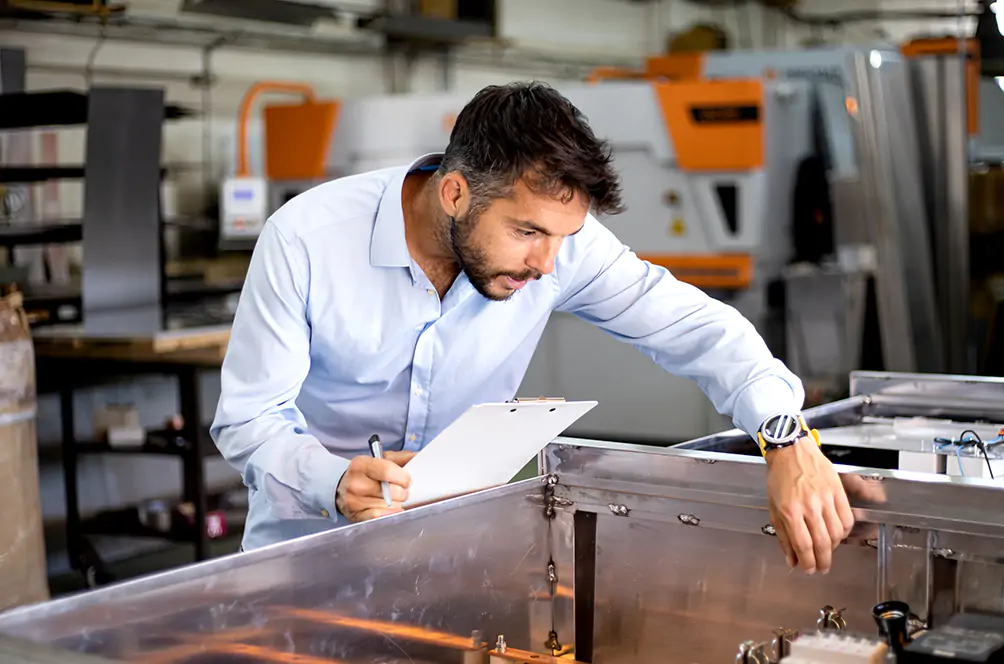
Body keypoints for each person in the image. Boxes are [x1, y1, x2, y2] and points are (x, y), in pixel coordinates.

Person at [211, 81, 854, 574]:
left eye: (562, 237)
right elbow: (247, 420)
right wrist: (333, 481)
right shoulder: (306, 240)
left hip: (455, 552)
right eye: (527, 233)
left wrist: (784, 435)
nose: (547, 264)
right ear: (456, 193)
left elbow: (697, 327)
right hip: (304, 559)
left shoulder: (557, 250)